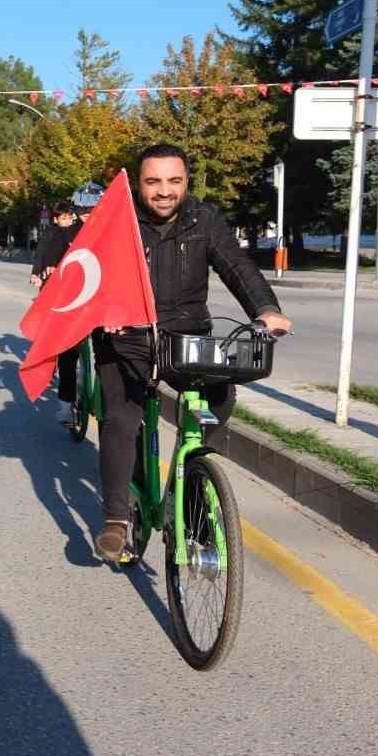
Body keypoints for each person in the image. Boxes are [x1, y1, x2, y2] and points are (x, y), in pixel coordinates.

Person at [92, 145, 292, 563]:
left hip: (185, 335)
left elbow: (237, 265)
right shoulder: (115, 222)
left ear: (186, 181)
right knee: (121, 418)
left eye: (174, 181)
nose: (164, 191)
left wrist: (266, 310)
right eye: (153, 182)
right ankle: (116, 519)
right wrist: (104, 311)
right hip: (126, 335)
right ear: (139, 184)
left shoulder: (205, 219)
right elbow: (91, 273)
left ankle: (192, 482)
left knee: (219, 397)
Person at [37, 183, 102, 423]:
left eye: (93, 206)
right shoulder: (66, 232)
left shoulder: (110, 231)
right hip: (72, 300)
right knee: (68, 354)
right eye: (83, 206)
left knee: (111, 352)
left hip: (101, 301)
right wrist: (50, 267)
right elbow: (52, 253)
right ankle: (65, 402)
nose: (88, 210)